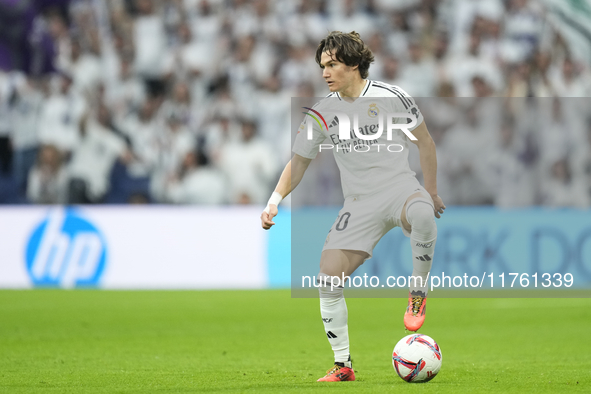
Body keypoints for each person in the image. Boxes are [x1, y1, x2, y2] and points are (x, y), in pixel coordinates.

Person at [260, 31, 446, 382]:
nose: (325, 73)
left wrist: (431, 191)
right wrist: (274, 201)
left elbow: (425, 143)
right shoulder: (321, 112)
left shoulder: (393, 97)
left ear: (355, 64)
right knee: (328, 279)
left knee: (422, 212)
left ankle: (418, 293)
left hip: (400, 188)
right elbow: (298, 162)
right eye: (322, 66)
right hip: (359, 203)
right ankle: (343, 366)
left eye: (332, 64)